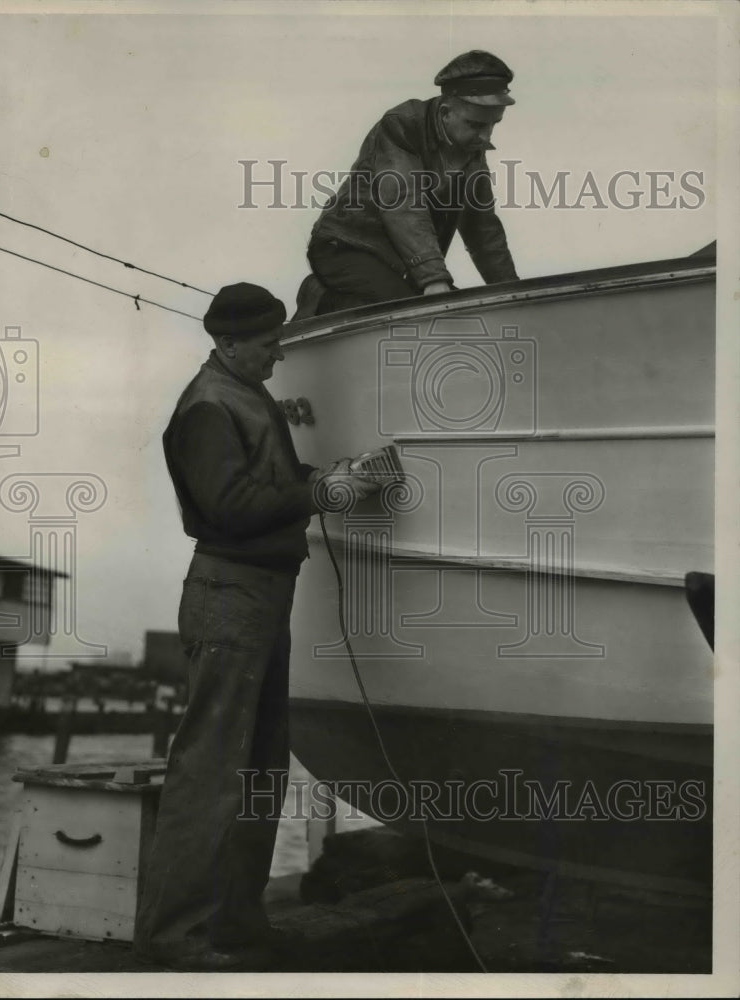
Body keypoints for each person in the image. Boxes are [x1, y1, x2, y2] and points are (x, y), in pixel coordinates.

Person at [134, 282, 379, 971]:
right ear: (229, 342)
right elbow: (230, 506)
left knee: (261, 765)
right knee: (211, 770)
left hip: (260, 593)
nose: (279, 354)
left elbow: (271, 479)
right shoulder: (209, 406)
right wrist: (320, 492)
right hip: (230, 594)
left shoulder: (245, 393)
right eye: (269, 343)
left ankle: (237, 926)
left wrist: (331, 476)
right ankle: (171, 939)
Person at [293, 50, 520, 319]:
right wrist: (433, 278)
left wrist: (512, 293)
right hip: (346, 249)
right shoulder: (401, 126)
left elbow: (482, 228)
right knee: (421, 314)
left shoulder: (470, 149)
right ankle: (322, 296)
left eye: (494, 124)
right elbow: (403, 202)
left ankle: (345, 297)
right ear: (445, 113)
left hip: (402, 266)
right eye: (475, 125)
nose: (485, 136)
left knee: (461, 315)